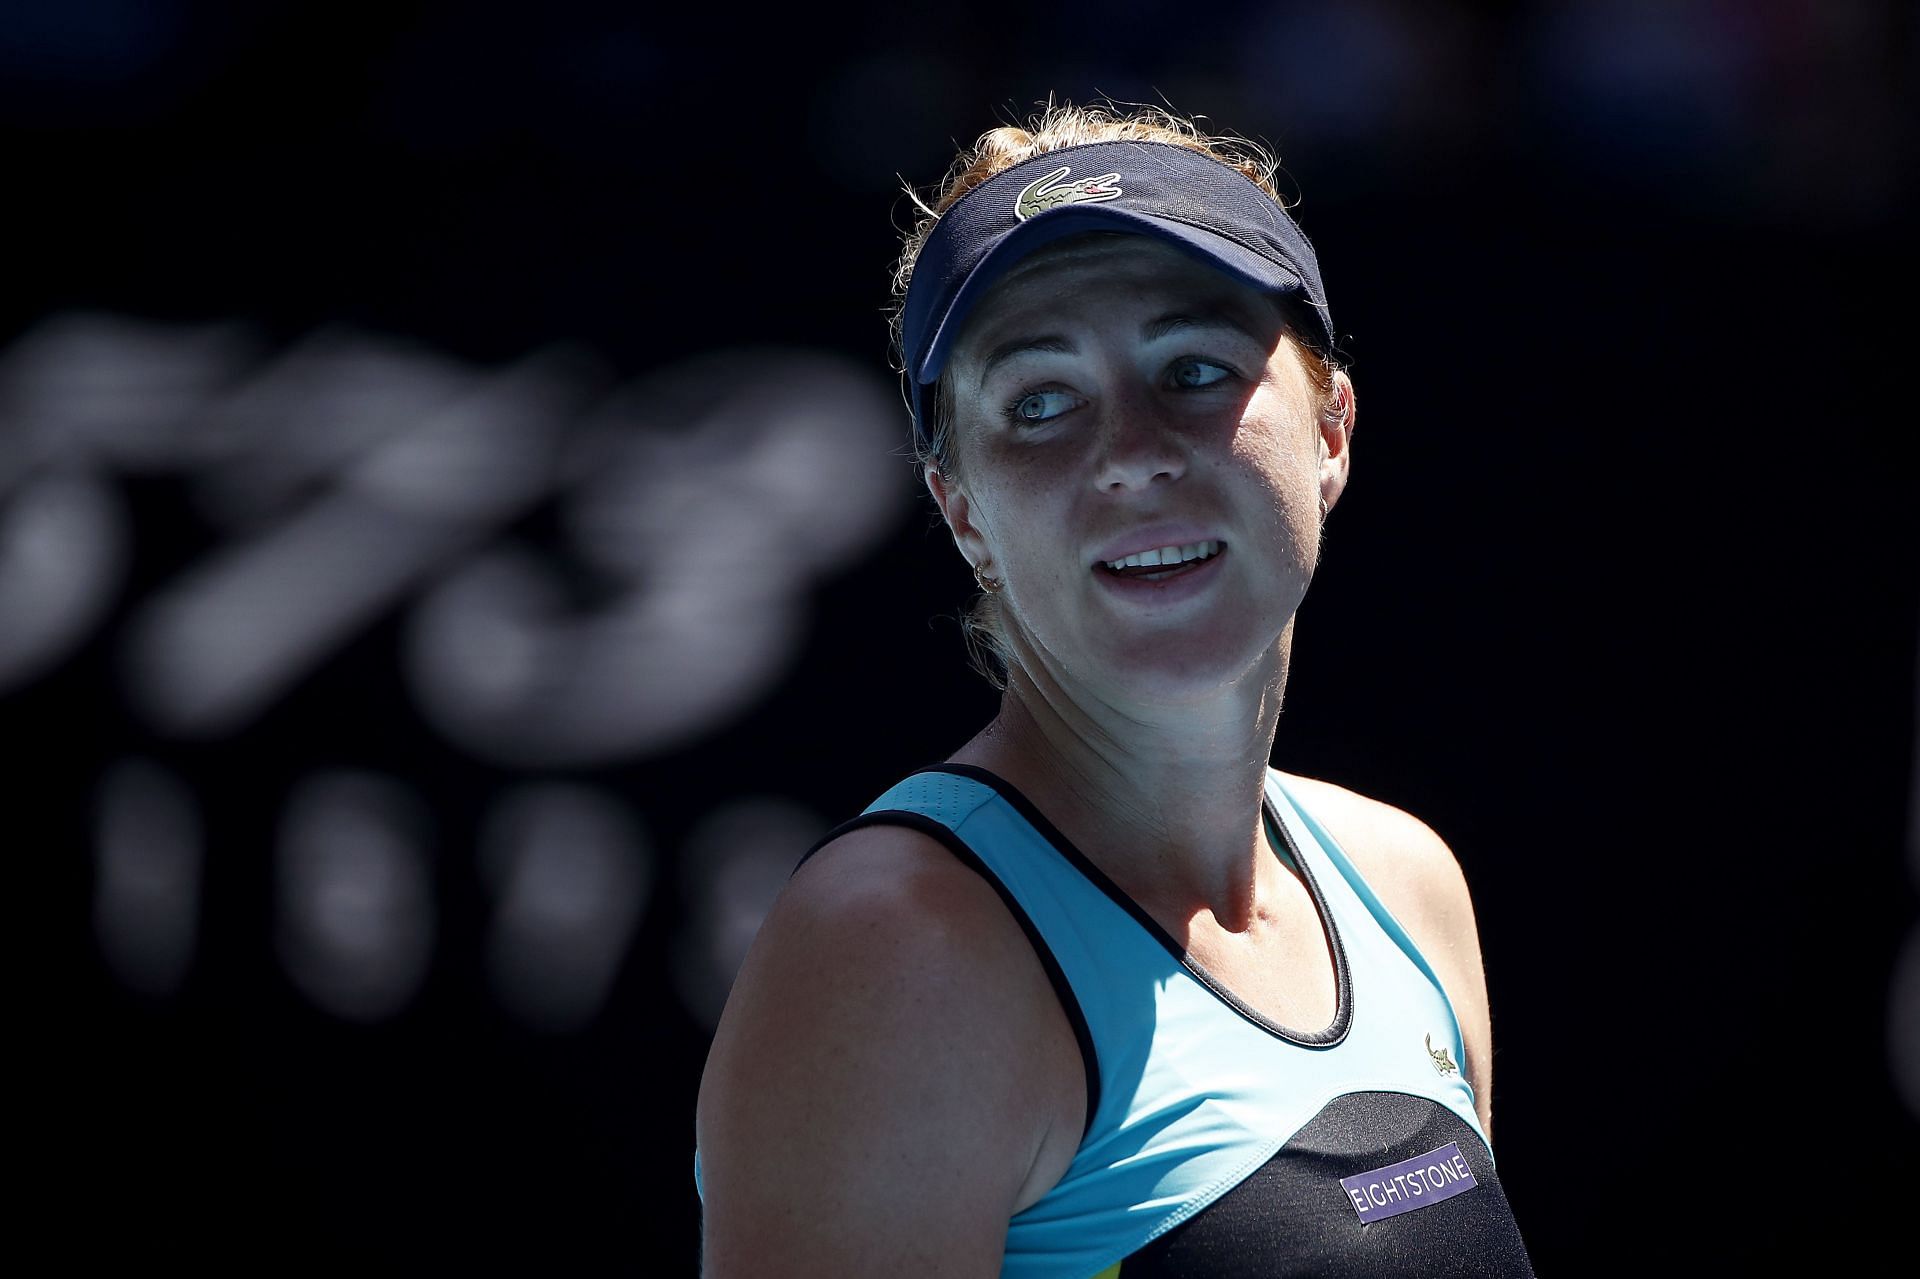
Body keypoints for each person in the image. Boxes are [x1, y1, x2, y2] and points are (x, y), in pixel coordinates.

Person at [694, 102, 1533, 1277]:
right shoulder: (896, 952)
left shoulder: (1406, 883)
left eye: (1191, 370)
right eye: (1040, 402)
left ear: (1332, 428)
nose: (1130, 450)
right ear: (963, 510)